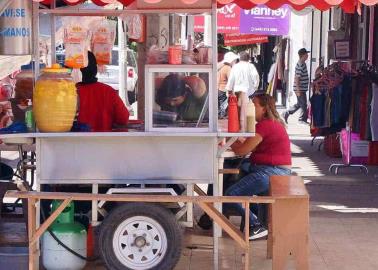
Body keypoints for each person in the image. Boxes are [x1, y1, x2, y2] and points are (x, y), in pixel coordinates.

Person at [225, 93, 292, 240]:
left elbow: (243, 150)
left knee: (231, 195)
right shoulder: (272, 124)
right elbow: (252, 147)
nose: (250, 107)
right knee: (242, 170)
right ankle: (260, 222)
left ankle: (255, 224)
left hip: (272, 172)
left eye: (254, 105)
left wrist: (229, 139)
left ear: (264, 108)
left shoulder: (265, 126)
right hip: (275, 170)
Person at [76, 51, 130, 132]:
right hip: (105, 141)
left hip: (75, 141)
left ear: (80, 69)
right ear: (95, 68)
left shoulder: (74, 92)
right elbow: (123, 118)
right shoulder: (109, 91)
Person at [225, 51, 260, 131]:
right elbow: (256, 76)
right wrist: (256, 86)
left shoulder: (235, 67)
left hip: (237, 90)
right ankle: (243, 128)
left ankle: (240, 127)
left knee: (238, 109)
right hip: (247, 91)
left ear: (239, 58)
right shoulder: (250, 66)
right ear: (248, 58)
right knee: (245, 110)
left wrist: (229, 89)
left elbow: (231, 79)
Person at [283, 48, 310, 125]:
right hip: (300, 88)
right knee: (303, 104)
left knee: (299, 104)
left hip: (301, 88)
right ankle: (301, 119)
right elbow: (297, 78)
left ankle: (287, 113)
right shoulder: (301, 64)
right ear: (302, 55)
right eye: (306, 54)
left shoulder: (302, 63)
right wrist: (298, 89)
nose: (307, 56)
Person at [217, 52, 239, 118]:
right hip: (224, 89)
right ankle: (221, 116)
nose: (235, 62)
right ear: (231, 60)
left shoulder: (221, 67)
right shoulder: (228, 68)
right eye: (234, 60)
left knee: (220, 105)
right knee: (223, 105)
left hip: (218, 89)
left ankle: (219, 115)